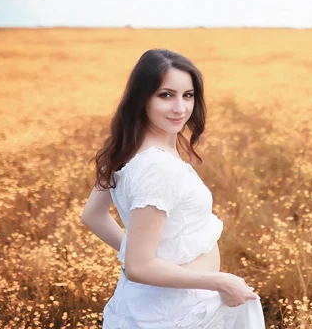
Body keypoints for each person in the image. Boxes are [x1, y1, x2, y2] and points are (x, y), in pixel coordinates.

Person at [80, 49, 266, 328]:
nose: (180, 108)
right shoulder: (158, 167)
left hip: (161, 303)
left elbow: (92, 216)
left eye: (187, 95)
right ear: (142, 98)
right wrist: (218, 281)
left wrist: (155, 258)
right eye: (166, 95)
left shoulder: (127, 149)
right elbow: (139, 267)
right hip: (174, 311)